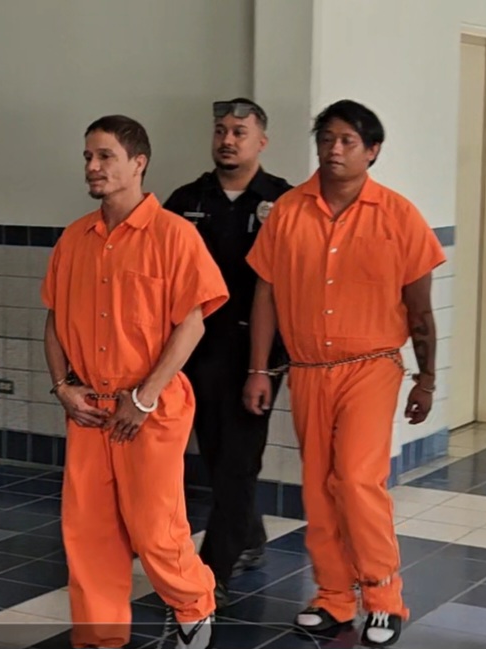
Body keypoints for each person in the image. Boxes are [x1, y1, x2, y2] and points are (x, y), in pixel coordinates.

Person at [244, 100, 444, 647]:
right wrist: (259, 368)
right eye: (327, 139)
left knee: (357, 481)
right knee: (318, 484)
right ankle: (333, 595)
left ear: (372, 151)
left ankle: (383, 597)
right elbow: (265, 293)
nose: (334, 150)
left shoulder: (399, 215)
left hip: (372, 366)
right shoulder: (287, 211)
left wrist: (426, 378)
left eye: (348, 141)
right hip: (308, 369)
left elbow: (420, 311)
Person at [42, 115, 227, 649]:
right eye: (87, 157)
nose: (92, 167)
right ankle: (101, 638)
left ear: (138, 163)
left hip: (152, 405)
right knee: (88, 534)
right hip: (89, 408)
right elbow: (54, 319)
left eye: (104, 156)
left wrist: (143, 399)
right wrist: (63, 387)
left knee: (154, 528)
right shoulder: (76, 238)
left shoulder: (174, 235)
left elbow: (193, 322)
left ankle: (194, 603)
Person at [161, 98, 293, 607]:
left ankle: (211, 574)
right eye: (220, 130)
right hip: (194, 348)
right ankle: (250, 535)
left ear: (261, 141)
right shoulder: (187, 199)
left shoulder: (284, 201)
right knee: (217, 457)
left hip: (255, 352)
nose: (227, 140)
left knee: (238, 460)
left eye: (240, 131)